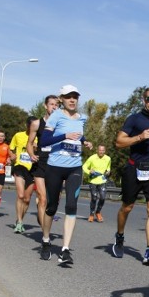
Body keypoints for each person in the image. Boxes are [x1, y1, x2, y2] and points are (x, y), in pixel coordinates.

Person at [112, 87, 149, 265]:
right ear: (144, 100)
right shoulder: (134, 119)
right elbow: (119, 142)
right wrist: (139, 137)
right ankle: (119, 236)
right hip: (134, 169)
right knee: (127, 208)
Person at [39, 85, 91, 264]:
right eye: (68, 97)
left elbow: (77, 136)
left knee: (71, 205)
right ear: (61, 99)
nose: (72, 100)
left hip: (74, 167)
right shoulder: (56, 116)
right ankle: (46, 241)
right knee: (51, 207)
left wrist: (85, 141)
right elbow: (44, 141)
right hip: (55, 166)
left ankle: (65, 249)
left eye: (75, 97)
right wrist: (64, 136)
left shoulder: (82, 118)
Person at [27, 95, 61, 228]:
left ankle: (44, 221)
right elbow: (29, 143)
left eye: (56, 105)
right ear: (45, 106)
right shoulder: (37, 123)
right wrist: (31, 154)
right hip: (41, 163)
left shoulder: (60, 124)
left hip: (56, 163)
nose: (54, 107)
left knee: (53, 201)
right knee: (42, 198)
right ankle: (44, 233)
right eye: (51, 104)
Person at [9, 118, 38, 233]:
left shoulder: (39, 138)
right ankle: (20, 222)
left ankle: (19, 219)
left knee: (27, 199)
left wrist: (36, 150)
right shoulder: (18, 135)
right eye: (32, 125)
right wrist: (12, 155)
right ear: (27, 125)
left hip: (32, 169)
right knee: (20, 195)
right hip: (19, 167)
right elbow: (10, 149)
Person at [82, 145, 111, 222]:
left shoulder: (108, 158)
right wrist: (89, 172)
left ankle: (98, 212)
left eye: (103, 150)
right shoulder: (92, 158)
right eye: (100, 150)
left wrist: (108, 172)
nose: (101, 152)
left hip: (102, 180)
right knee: (94, 198)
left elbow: (108, 168)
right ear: (97, 150)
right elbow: (84, 166)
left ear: (105, 151)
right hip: (93, 181)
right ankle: (91, 214)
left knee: (102, 198)